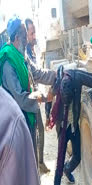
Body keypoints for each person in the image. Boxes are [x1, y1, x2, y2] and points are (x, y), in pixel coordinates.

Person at [0, 16, 56, 166]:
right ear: (17, 37)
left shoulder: (21, 55)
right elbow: (20, 98)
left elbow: (37, 73)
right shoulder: (8, 62)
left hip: (26, 118)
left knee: (31, 157)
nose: (28, 40)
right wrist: (45, 97)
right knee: (23, 164)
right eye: (25, 37)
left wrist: (56, 76)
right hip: (16, 124)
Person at [0, 86, 45, 185]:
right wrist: (42, 97)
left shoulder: (24, 65)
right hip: (25, 115)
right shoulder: (10, 120)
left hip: (29, 116)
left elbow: (37, 73)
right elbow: (21, 98)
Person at [25, 18, 50, 173]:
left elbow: (36, 73)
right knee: (34, 134)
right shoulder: (23, 53)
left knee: (40, 129)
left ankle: (40, 163)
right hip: (28, 101)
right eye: (31, 32)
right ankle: (36, 172)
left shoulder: (31, 50)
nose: (34, 36)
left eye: (34, 32)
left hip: (35, 97)